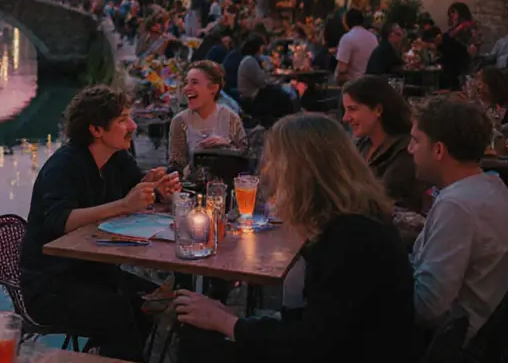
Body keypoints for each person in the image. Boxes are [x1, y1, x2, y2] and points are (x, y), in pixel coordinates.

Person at [175, 114, 419, 363]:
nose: (268, 171)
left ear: (301, 173)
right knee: (199, 334)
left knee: (199, 346)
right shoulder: (351, 222)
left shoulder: (354, 238)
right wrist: (228, 320)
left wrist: (228, 323)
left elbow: (313, 345)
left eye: (276, 162)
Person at [20, 85, 181, 362]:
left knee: (153, 299)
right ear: (96, 130)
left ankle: (105, 353)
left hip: (93, 272)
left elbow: (137, 191)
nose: (132, 125)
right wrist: (123, 205)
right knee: (119, 312)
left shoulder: (117, 157)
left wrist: (155, 188)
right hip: (52, 282)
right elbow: (61, 221)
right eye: (122, 120)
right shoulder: (64, 166)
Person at [408, 97, 508, 340]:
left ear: (438, 150)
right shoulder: (492, 186)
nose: (409, 149)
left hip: (450, 344)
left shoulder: (457, 205)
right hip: (480, 332)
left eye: (416, 141)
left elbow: (428, 309)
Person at [342, 76, 424, 212]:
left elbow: (391, 204)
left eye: (352, 109)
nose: (345, 118)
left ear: (378, 110)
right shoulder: (361, 145)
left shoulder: (406, 152)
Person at [169, 61, 246, 172]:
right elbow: (175, 169)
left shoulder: (230, 117)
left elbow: (244, 160)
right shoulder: (179, 121)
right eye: (186, 83)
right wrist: (198, 156)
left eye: (194, 82)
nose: (186, 88)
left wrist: (227, 146)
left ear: (213, 88)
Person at [237, 35, 294, 118]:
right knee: (282, 96)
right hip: (252, 96)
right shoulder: (249, 61)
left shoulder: (252, 59)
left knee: (280, 91)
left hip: (256, 93)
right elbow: (262, 83)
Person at [335, 8, 378, 84]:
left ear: (346, 22)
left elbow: (342, 69)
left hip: (354, 84)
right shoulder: (373, 37)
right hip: (372, 82)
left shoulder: (347, 38)